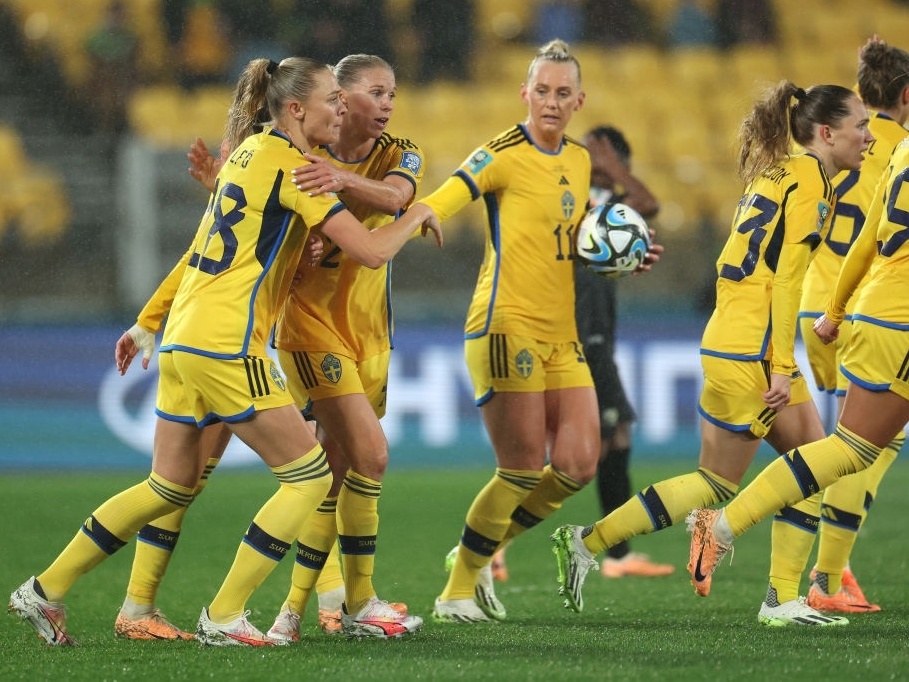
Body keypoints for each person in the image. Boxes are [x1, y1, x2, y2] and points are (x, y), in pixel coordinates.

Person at [8, 56, 441, 647]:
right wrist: (417, 212)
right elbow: (368, 250)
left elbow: (207, 247)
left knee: (167, 486)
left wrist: (147, 323)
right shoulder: (297, 168)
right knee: (311, 478)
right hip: (229, 342)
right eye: (332, 101)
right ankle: (227, 613)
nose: (342, 109)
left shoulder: (247, 153)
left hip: (184, 337)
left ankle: (46, 589)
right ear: (296, 109)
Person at [551, 80, 873, 624]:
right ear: (826, 132)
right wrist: (780, 362)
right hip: (754, 347)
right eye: (860, 125)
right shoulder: (812, 185)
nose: (867, 136)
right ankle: (779, 597)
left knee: (715, 482)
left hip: (725, 337)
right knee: (813, 467)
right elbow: (786, 281)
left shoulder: (776, 174)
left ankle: (586, 540)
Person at [418, 39, 661, 624]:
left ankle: (481, 547)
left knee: (579, 463)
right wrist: (416, 218)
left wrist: (620, 253)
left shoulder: (580, 161)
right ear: (524, 94)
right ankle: (457, 589)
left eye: (562, 93)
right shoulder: (500, 152)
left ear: (579, 100)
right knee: (522, 467)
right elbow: (442, 199)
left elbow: (576, 238)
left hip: (562, 333)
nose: (551, 102)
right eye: (541, 91)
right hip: (506, 325)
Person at [687, 132, 909, 611]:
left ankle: (808, 581)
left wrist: (836, 308)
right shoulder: (840, 166)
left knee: (848, 449)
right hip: (899, 317)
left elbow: (868, 239)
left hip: (875, 308)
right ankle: (737, 536)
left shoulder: (901, 152)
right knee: (849, 449)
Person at [490, 125, 669, 582]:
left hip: (593, 336)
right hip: (579, 336)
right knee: (572, 456)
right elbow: (647, 206)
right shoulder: (587, 204)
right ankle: (493, 542)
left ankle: (614, 551)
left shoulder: (596, 205)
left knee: (608, 439)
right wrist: (608, 167)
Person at [791, 37, 909, 614]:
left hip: (820, 303)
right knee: (861, 448)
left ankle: (830, 573)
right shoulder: (900, 147)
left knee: (853, 444)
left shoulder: (838, 139)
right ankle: (826, 575)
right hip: (872, 309)